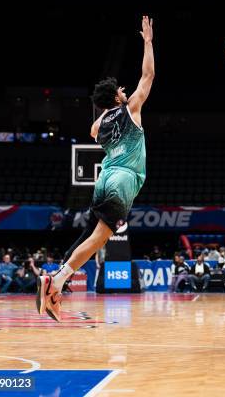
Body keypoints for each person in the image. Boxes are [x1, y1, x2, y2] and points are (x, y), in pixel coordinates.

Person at [37, 16, 155, 321]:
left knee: (91, 234)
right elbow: (149, 74)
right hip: (122, 180)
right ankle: (57, 280)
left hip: (103, 179)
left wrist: (110, 103)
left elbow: (93, 127)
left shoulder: (98, 126)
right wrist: (147, 41)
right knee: (100, 239)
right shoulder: (131, 110)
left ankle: (56, 286)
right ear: (116, 97)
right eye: (120, 90)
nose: (125, 91)